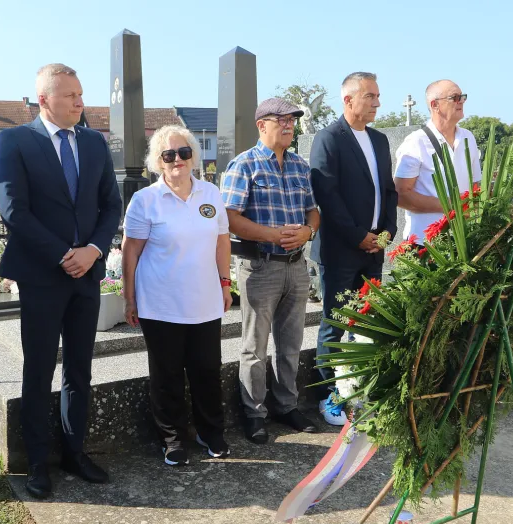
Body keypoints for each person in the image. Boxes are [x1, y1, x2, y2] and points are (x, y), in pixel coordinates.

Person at [0, 63, 122, 499]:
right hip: (42, 276)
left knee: (80, 370)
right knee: (38, 369)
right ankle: (36, 463)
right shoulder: (15, 140)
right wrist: (61, 254)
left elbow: (110, 205)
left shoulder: (93, 142)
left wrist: (93, 251)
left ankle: (74, 452)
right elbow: (14, 210)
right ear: (45, 99)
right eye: (70, 96)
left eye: (81, 94)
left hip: (86, 274)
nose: (79, 102)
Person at [122, 125, 233, 466]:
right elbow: (131, 252)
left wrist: (225, 282)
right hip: (161, 303)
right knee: (167, 374)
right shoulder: (146, 200)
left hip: (204, 301)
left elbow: (221, 240)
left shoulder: (210, 194)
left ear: (193, 157)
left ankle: (210, 432)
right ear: (157, 161)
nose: (177, 160)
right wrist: (129, 298)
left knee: (207, 370)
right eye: (168, 155)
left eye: (184, 153)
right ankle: (172, 438)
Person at [221, 98, 321, 443]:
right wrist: (272, 235)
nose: (290, 125)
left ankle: (287, 406)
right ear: (262, 125)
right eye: (282, 120)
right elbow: (229, 217)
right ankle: (254, 412)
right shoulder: (243, 165)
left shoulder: (299, 166)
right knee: (255, 346)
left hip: (296, 267)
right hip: (259, 266)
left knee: (291, 342)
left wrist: (308, 232)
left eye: (293, 120)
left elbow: (313, 211)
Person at [310, 72, 398, 426]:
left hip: (375, 247)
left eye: (378, 96)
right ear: (349, 100)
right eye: (371, 96)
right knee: (335, 322)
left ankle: (361, 387)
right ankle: (329, 395)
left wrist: (387, 231)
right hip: (342, 248)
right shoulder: (329, 138)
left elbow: (388, 191)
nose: (377, 103)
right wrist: (357, 234)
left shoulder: (378, 139)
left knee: (369, 321)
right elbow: (326, 194)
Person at [394, 80, 481, 242]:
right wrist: (452, 205)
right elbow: (400, 195)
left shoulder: (468, 137)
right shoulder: (416, 142)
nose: (461, 101)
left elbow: (476, 185)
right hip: (425, 243)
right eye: (454, 97)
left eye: (462, 97)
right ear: (435, 105)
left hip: (464, 239)